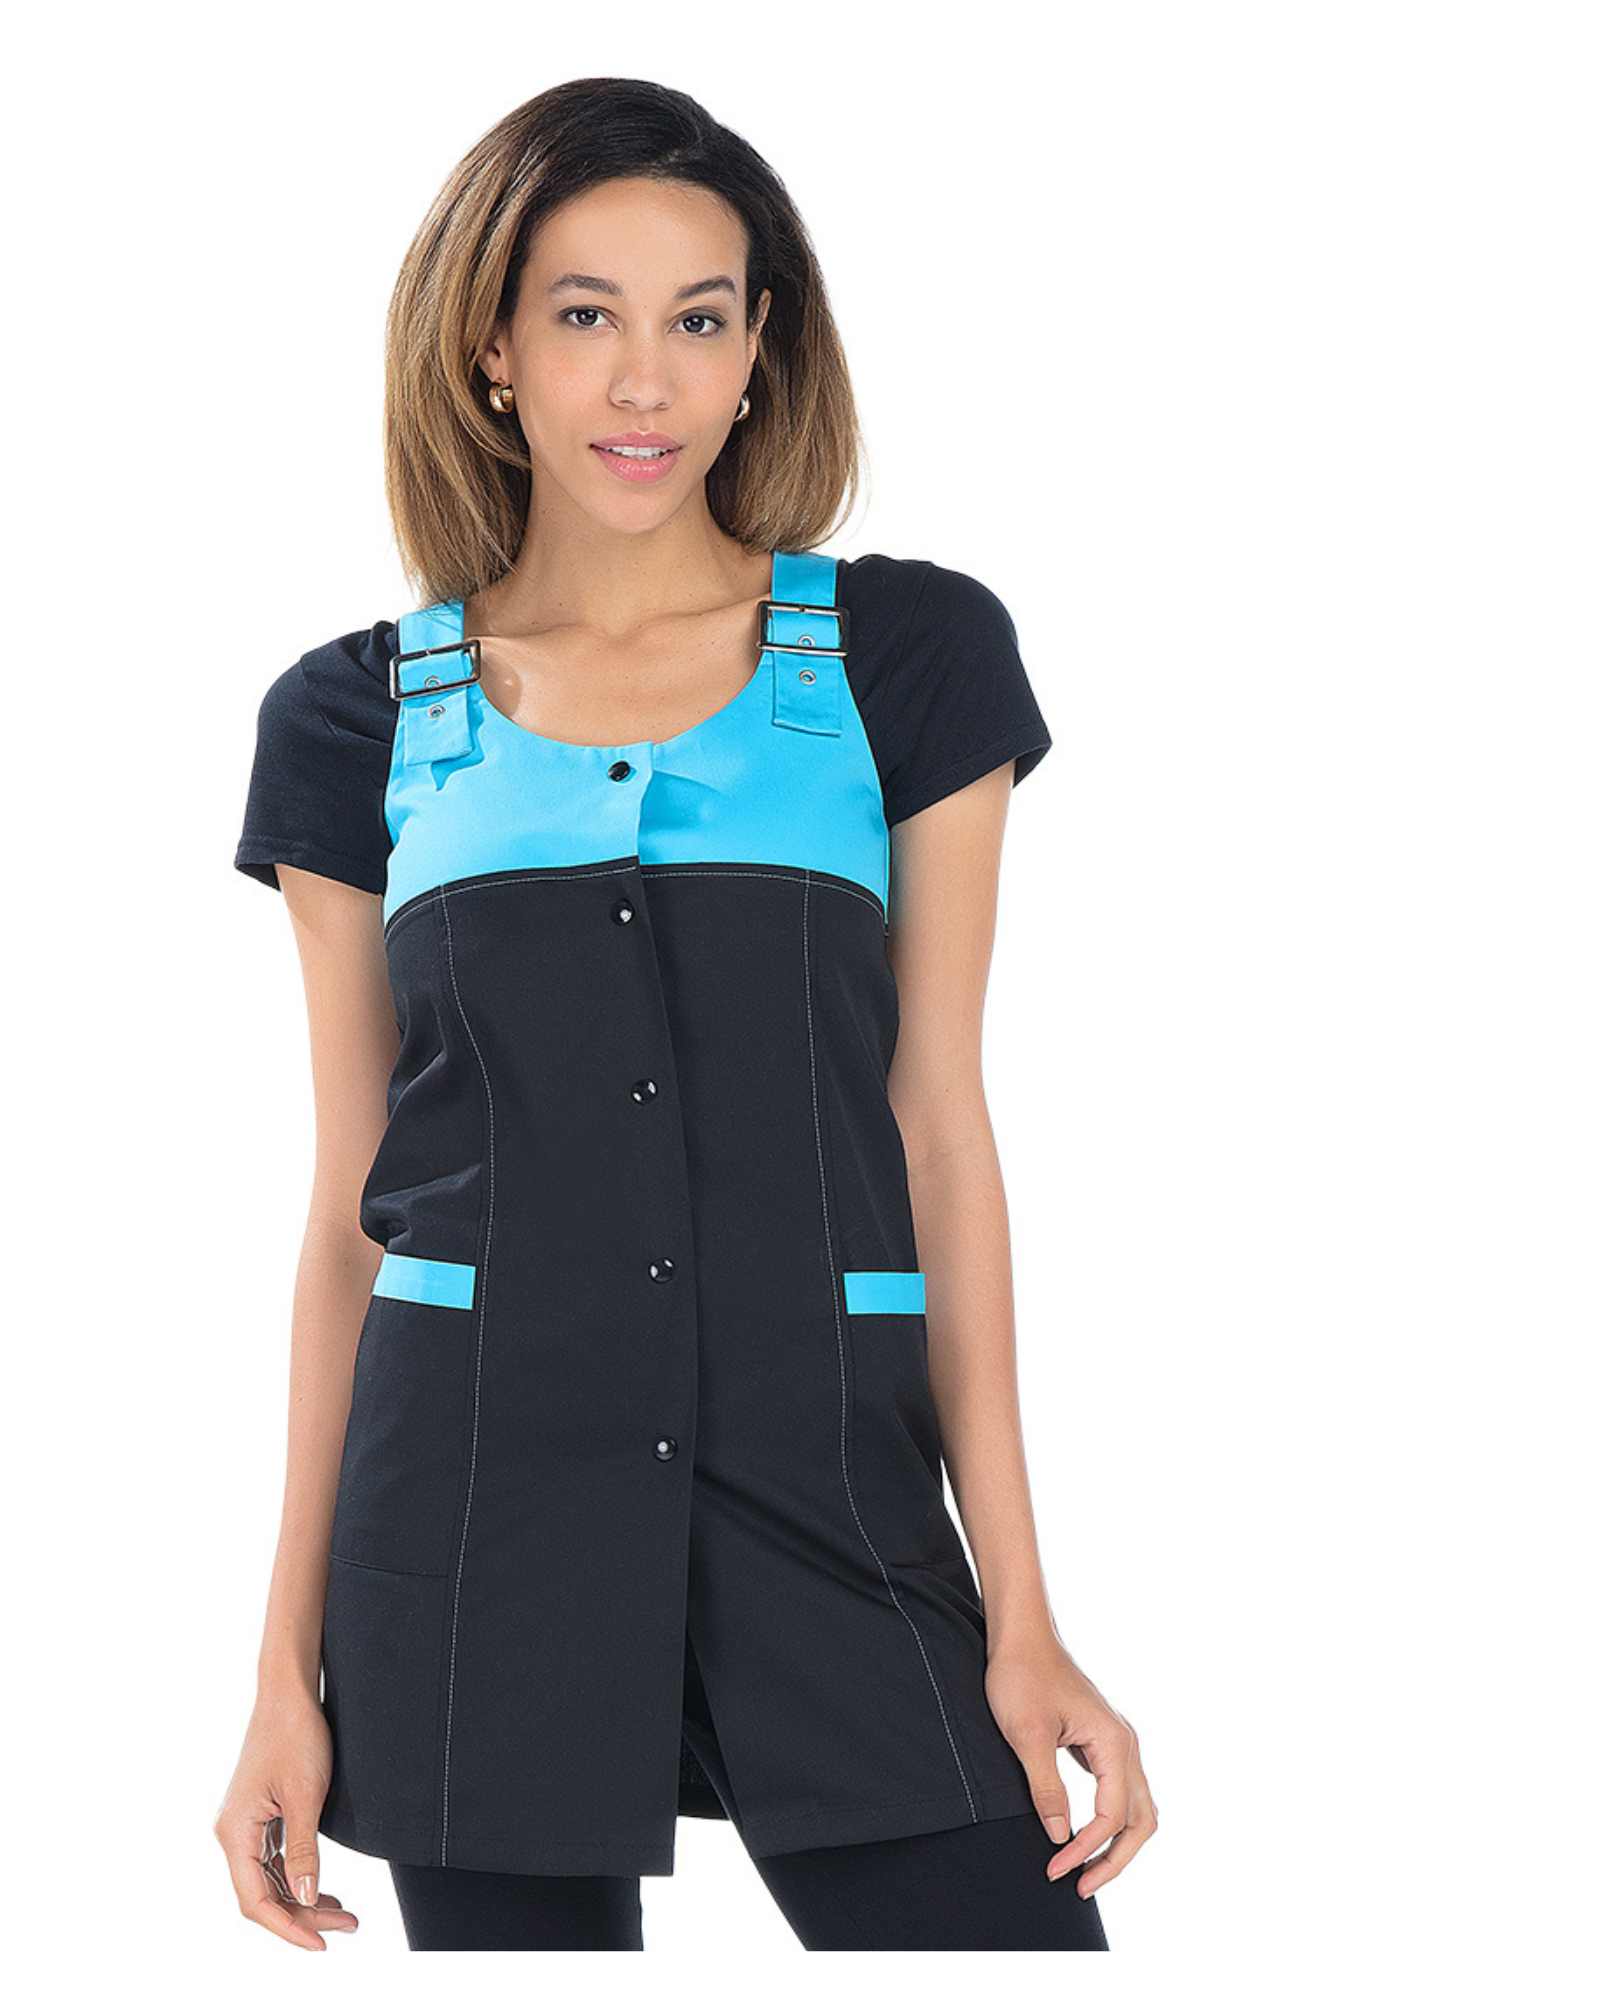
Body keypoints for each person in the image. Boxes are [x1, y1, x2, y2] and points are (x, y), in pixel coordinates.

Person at [213, 75, 1156, 1952]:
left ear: (756, 352)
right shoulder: (350, 721)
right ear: (492, 350)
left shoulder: (907, 657)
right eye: (586, 315)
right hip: (470, 1533)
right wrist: (278, 1677)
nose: (644, 382)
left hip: (833, 1498)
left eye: (698, 319)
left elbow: (937, 1129)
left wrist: (1023, 1610)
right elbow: (352, 1221)